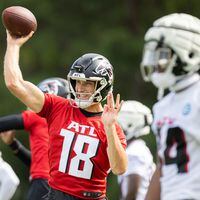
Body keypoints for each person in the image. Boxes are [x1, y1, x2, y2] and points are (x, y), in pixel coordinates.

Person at [3, 30, 128, 200]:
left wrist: (109, 127)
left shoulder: (110, 125)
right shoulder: (58, 107)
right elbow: (14, 83)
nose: (80, 88)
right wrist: (13, 45)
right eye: (77, 82)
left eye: (87, 83)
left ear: (103, 86)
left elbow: (119, 168)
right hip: (55, 195)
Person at [140, 13, 200, 200]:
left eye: (163, 54)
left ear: (188, 53)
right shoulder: (163, 105)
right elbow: (163, 165)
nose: (155, 62)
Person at [0, 77, 70, 200]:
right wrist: (13, 145)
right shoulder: (65, 124)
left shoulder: (39, 117)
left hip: (42, 184)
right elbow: (39, 163)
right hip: (61, 187)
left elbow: (3, 124)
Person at [117, 100, 155, 200]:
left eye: (118, 124)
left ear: (129, 125)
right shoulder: (137, 148)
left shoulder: (134, 151)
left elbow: (133, 188)